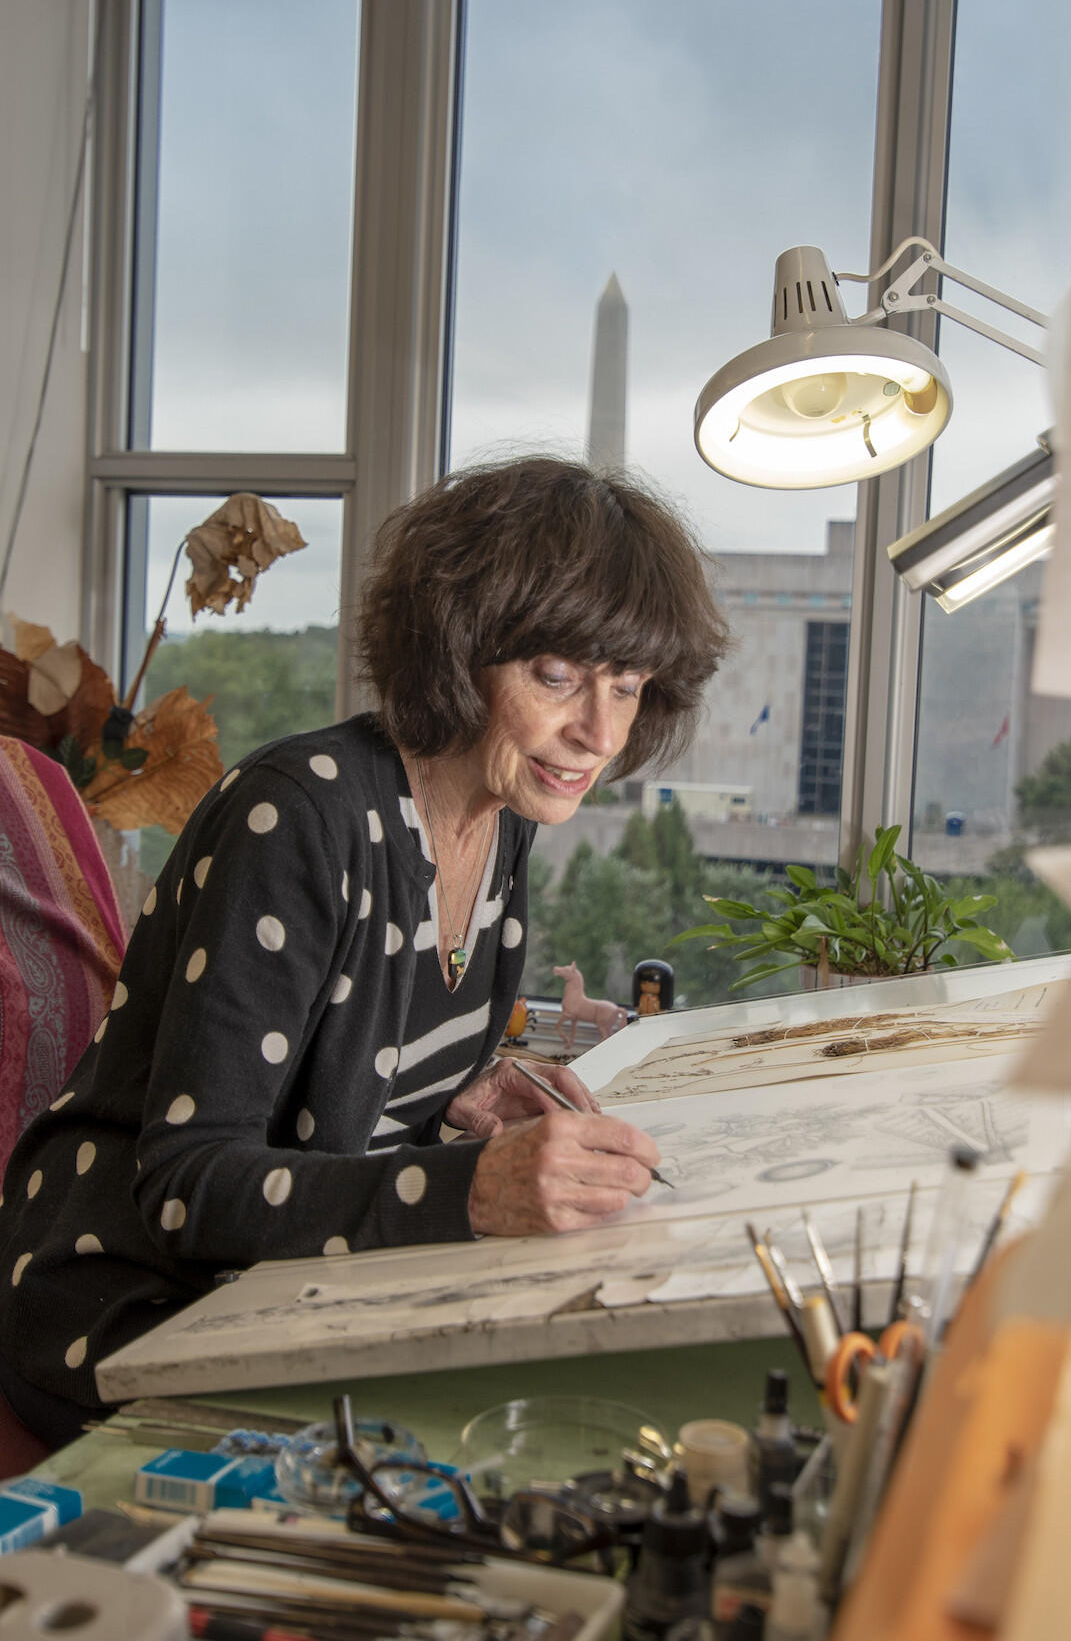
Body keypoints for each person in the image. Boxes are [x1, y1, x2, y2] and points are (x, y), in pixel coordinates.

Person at [0, 457, 729, 1446]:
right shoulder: (297, 816)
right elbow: (189, 1185)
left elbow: (339, 1096)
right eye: (555, 674)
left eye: (627, 684)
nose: (596, 729)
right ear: (458, 648)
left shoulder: (504, 814)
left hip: (289, 1282)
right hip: (128, 1297)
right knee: (499, 1434)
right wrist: (471, 1185)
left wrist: (448, 1099)